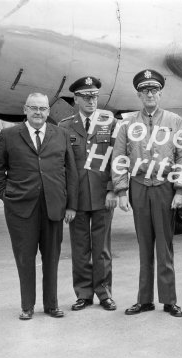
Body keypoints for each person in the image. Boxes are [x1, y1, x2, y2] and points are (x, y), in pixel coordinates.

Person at [0, 93, 78, 320]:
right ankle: (27, 306)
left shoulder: (61, 134)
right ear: (25, 109)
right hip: (20, 209)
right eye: (34, 108)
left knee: (52, 258)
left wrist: (71, 206)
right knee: (25, 258)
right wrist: (5, 196)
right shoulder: (9, 135)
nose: (39, 112)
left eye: (43, 108)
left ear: (48, 111)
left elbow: (71, 173)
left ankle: (51, 305)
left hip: (54, 207)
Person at [112, 69, 182, 317]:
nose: (150, 94)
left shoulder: (174, 121)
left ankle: (169, 300)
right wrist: (121, 190)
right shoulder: (127, 124)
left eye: (154, 90)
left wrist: (180, 189)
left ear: (160, 93)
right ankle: (144, 300)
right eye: (145, 90)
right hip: (138, 187)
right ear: (138, 94)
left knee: (165, 246)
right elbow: (119, 157)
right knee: (144, 245)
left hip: (163, 188)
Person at [59, 76, 118, 311]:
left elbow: (118, 158)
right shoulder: (65, 126)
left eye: (94, 96)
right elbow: (62, 164)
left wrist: (113, 189)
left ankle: (104, 293)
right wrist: (68, 202)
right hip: (78, 198)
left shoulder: (110, 122)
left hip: (103, 195)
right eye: (86, 97)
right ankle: (83, 294)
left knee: (102, 248)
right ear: (76, 99)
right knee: (80, 248)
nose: (91, 100)